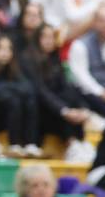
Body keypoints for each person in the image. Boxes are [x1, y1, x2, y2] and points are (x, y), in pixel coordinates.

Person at [20, 23, 92, 158]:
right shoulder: (27, 58)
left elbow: (66, 86)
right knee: (62, 108)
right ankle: (73, 144)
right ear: (37, 38)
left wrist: (82, 109)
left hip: (55, 109)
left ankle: (77, 143)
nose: (49, 41)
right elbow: (40, 91)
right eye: (45, 37)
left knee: (71, 94)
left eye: (52, 37)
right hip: (37, 113)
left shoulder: (55, 59)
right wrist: (64, 111)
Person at [0, 34, 39, 158]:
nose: (5, 53)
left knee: (26, 101)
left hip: (6, 117)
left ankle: (26, 143)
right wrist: (10, 89)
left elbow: (28, 89)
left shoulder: (14, 69)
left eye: (8, 49)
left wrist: (7, 88)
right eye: (1, 48)